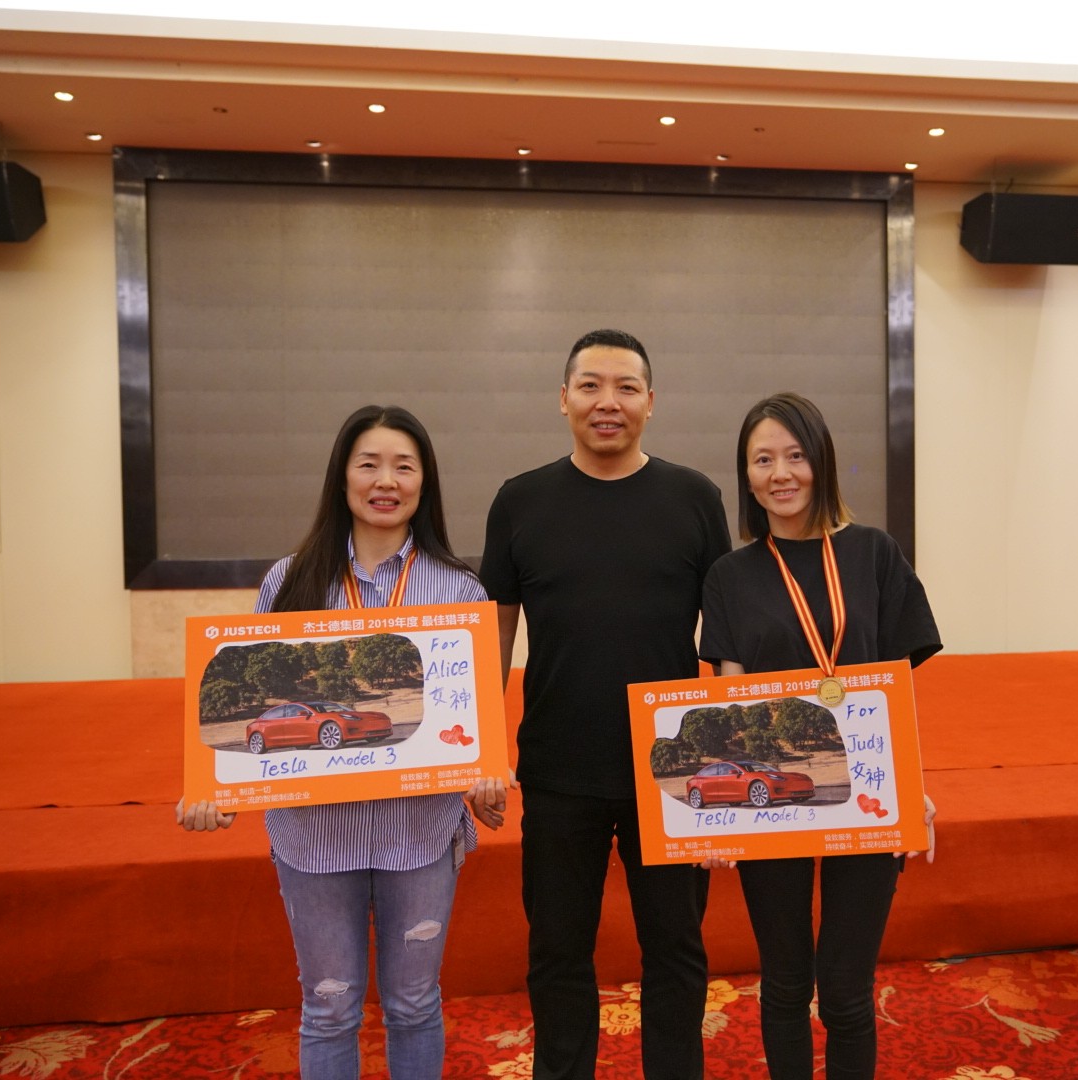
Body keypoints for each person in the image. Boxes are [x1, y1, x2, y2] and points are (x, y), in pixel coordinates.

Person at [177, 404, 508, 1080]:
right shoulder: (289, 580)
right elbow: (255, 697)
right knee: (329, 1009)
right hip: (315, 839)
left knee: (414, 1003)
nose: (386, 481)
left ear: (424, 482)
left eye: (404, 467)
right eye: (369, 465)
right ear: (343, 476)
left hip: (418, 834)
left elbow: (472, 717)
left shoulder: (459, 588)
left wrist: (483, 774)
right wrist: (219, 791)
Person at [477, 329, 733, 1080]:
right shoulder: (520, 501)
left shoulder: (695, 498)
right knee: (558, 952)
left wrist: (725, 763)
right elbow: (493, 642)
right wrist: (482, 752)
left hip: (674, 774)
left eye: (626, 387)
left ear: (652, 401)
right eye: (590, 385)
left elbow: (726, 641)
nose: (607, 402)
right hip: (558, 770)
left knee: (676, 952)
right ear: (563, 400)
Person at [697, 392, 941, 1080]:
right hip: (772, 797)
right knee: (783, 983)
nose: (781, 473)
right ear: (746, 476)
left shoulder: (874, 554)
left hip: (864, 791)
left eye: (795, 456)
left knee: (845, 990)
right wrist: (721, 819)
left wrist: (910, 788)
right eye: (762, 460)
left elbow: (895, 687)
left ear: (822, 462)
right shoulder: (729, 576)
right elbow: (731, 699)